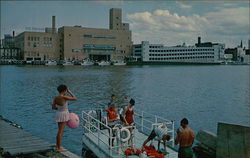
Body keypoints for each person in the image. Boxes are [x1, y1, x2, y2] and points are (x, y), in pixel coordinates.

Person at [51, 85, 77, 152]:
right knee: (60, 132)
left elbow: (53, 107)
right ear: (64, 90)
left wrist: (60, 108)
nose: (67, 91)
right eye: (66, 90)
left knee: (59, 131)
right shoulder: (64, 97)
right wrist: (70, 91)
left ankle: (58, 145)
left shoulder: (56, 98)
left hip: (58, 113)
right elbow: (75, 98)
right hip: (64, 114)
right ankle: (59, 148)